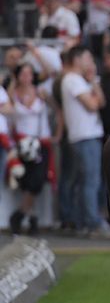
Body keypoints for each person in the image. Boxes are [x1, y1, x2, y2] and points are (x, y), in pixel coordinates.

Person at [61, 46, 108, 236]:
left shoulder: (81, 80)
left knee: (84, 181)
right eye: (87, 58)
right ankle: (92, 222)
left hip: (85, 135)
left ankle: (81, 221)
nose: (90, 62)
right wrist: (93, 87)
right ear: (77, 59)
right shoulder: (73, 79)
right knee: (90, 181)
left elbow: (101, 102)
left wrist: (93, 81)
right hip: (84, 135)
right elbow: (92, 105)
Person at [5, 64, 54, 235]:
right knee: (26, 183)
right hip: (21, 142)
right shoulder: (12, 94)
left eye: (29, 73)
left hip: (40, 142)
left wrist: (58, 132)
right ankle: (32, 218)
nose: (27, 77)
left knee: (37, 181)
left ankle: (19, 214)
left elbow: (56, 109)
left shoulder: (40, 92)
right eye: (23, 73)